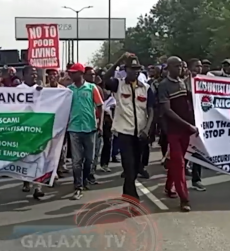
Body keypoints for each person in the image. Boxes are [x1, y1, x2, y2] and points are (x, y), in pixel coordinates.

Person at [104, 55, 155, 201]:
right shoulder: (118, 84)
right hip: (124, 132)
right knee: (128, 165)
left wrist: (147, 129)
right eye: (131, 69)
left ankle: (127, 191)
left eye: (137, 69)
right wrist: (118, 60)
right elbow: (105, 78)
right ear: (125, 70)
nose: (135, 72)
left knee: (136, 165)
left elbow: (151, 110)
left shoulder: (145, 88)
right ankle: (132, 196)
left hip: (140, 133)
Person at [158, 56, 196, 211]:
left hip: (186, 130)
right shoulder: (164, 86)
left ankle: (169, 186)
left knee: (180, 162)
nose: (180, 68)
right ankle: (184, 199)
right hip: (174, 130)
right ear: (169, 67)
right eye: (177, 66)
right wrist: (187, 125)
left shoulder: (183, 82)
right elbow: (167, 110)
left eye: (181, 66)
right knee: (179, 164)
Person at [66, 63, 103, 200]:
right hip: (74, 129)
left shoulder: (91, 88)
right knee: (76, 160)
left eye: (73, 73)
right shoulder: (68, 90)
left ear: (80, 74)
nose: (71, 75)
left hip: (90, 128)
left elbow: (100, 106)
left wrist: (100, 124)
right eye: (70, 73)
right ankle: (78, 186)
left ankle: (86, 179)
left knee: (89, 159)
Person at [17, 65, 45, 200]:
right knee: (26, 158)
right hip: (23, 130)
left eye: (35, 73)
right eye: (31, 73)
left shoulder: (41, 90)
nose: (34, 76)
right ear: (24, 76)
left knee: (39, 157)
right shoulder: (17, 91)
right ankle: (26, 181)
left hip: (38, 129)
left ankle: (38, 186)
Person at [184, 58, 207, 191]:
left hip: (200, 121)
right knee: (186, 151)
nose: (199, 68)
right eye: (196, 66)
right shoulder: (184, 83)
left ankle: (196, 179)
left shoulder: (205, 82)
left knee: (198, 151)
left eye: (200, 66)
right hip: (187, 120)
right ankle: (177, 179)